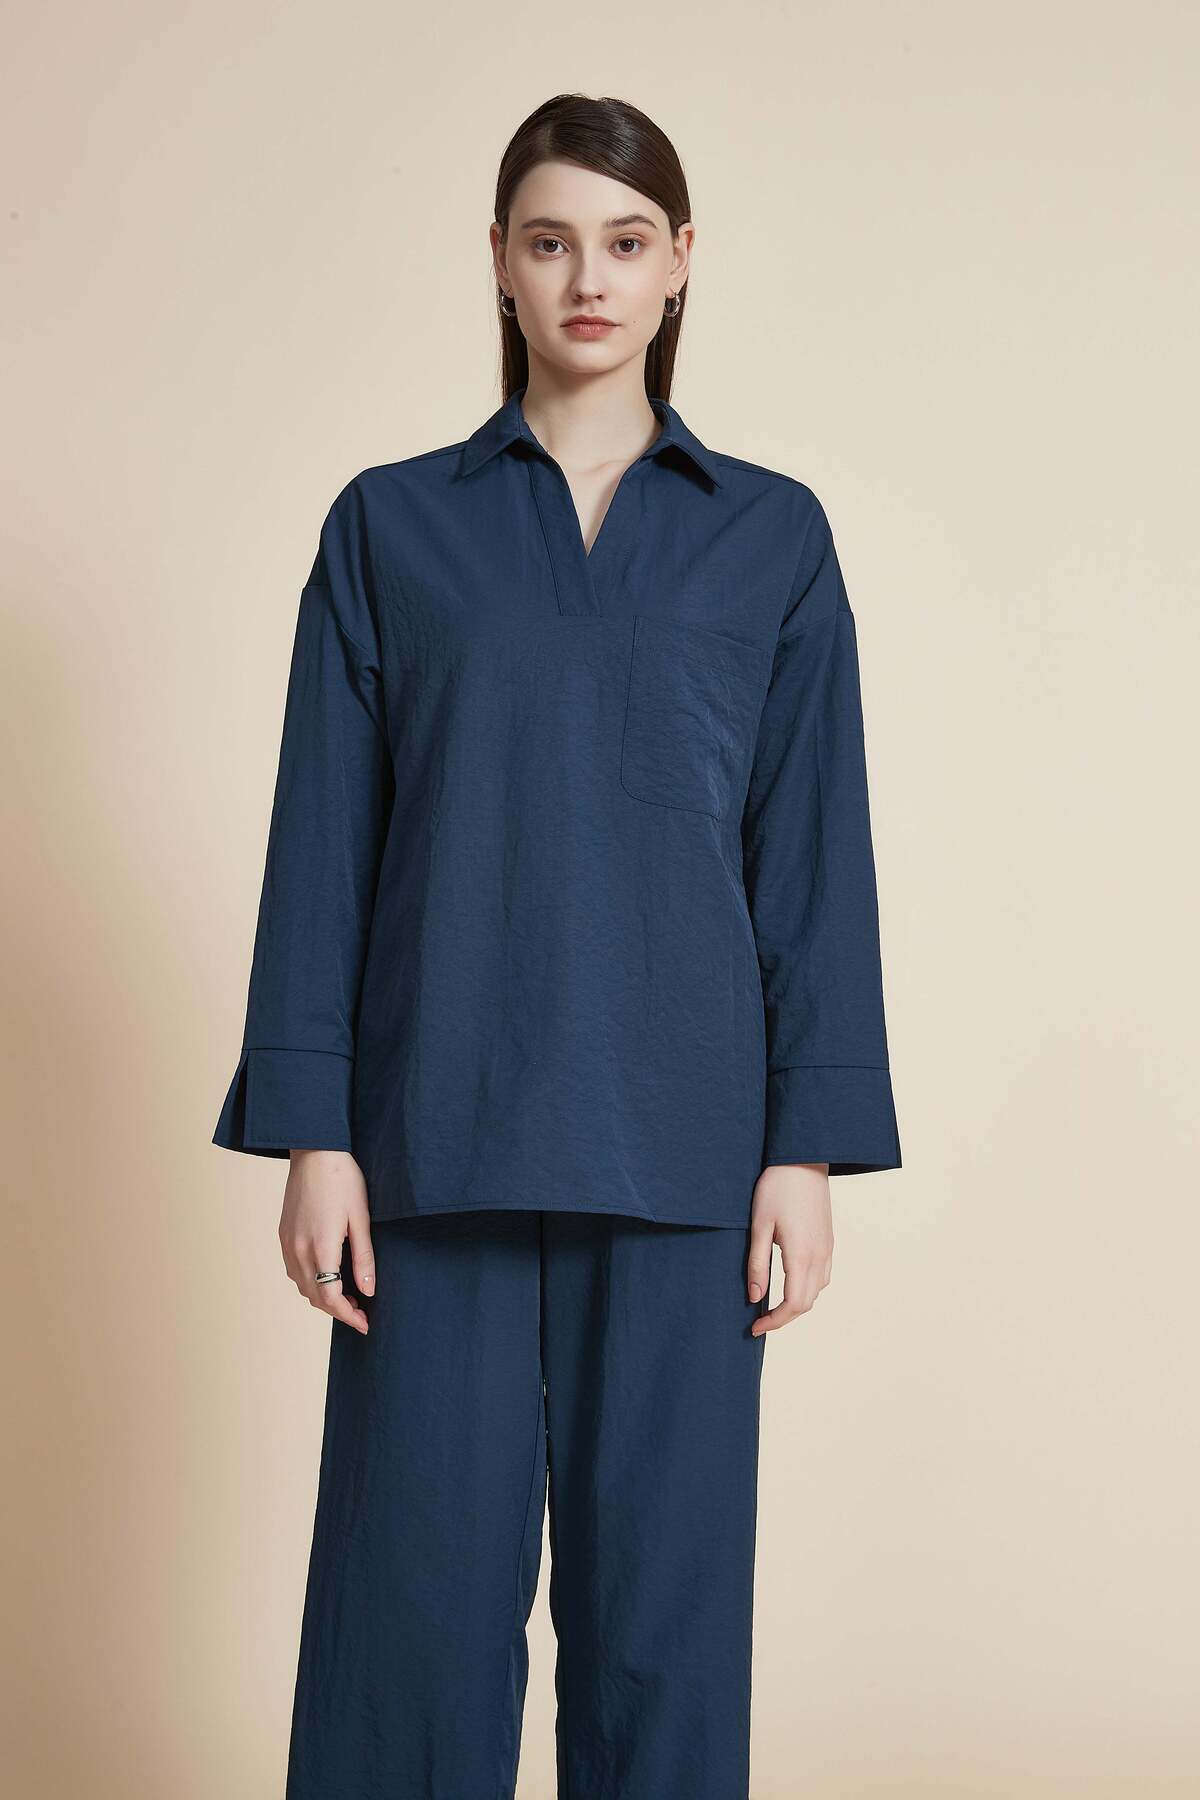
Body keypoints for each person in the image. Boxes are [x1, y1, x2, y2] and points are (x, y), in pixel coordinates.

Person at [212, 92, 901, 1800]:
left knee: (663, 1638)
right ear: (501, 267)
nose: (588, 278)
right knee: (408, 1633)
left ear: (680, 266)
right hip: (430, 1143)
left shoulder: (772, 537)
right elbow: (323, 844)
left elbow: (812, 857)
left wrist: (804, 1148)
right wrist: (314, 1132)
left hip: (686, 1155)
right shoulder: (389, 529)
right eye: (550, 241)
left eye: (625, 241)